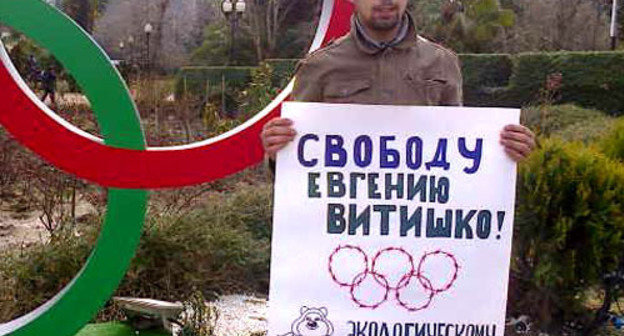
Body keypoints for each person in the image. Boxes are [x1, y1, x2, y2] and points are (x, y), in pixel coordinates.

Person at [261, 0, 536, 163]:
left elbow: (458, 153)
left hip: (418, 235)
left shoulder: (442, 62)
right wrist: (278, 153)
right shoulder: (318, 66)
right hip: (343, 230)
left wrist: (505, 152)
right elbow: (296, 164)